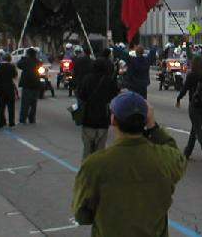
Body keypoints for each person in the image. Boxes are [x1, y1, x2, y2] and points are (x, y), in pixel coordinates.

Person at [72, 92, 187, 236]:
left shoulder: (95, 165)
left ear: (113, 119)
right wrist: (153, 127)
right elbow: (176, 155)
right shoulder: (165, 158)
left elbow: (82, 215)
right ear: (146, 120)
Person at [78, 58, 120, 159]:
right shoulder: (109, 80)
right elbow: (114, 95)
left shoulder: (87, 79)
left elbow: (81, 95)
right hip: (103, 119)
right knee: (100, 151)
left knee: (87, 151)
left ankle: (87, 172)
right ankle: (98, 172)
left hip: (88, 118)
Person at [176, 57, 202, 161]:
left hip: (194, 105)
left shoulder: (191, 75)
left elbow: (184, 88)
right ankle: (187, 152)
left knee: (197, 130)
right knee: (195, 129)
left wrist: (179, 98)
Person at [18, 47, 42, 124]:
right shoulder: (37, 61)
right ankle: (32, 119)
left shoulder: (25, 61)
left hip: (26, 85)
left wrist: (23, 57)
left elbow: (19, 64)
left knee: (25, 104)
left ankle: (23, 119)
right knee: (33, 104)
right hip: (36, 84)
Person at [0, 53, 18, 128]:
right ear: (10, 59)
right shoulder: (12, 66)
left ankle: (0, 123)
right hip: (9, 87)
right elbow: (15, 76)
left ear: (3, 59)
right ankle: (11, 122)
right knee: (11, 106)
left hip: (0, 88)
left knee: (0, 106)